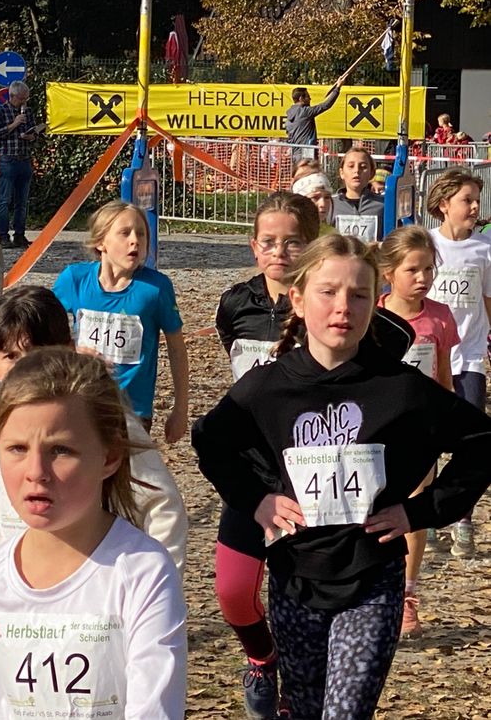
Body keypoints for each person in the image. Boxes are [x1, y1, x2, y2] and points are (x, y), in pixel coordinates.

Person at [193, 234, 491, 720]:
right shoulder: (268, 386)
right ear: (298, 298)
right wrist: (259, 500)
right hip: (294, 576)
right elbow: (210, 440)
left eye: (357, 295)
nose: (342, 308)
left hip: (372, 578)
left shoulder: (399, 389)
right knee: (307, 711)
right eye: (327, 292)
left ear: (374, 302)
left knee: (346, 713)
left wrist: (420, 510)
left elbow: (480, 442)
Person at [213, 194, 412, 718]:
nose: (279, 252)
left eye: (293, 242)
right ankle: (262, 658)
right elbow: (222, 413)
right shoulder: (235, 304)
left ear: (312, 246)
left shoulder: (349, 312)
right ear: (254, 247)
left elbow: (392, 361)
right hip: (260, 480)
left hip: (326, 493)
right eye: (269, 241)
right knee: (233, 591)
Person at [0, 285, 188, 635]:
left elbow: (162, 504)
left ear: (67, 351)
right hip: (10, 612)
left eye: (38, 353)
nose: (26, 367)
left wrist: (157, 594)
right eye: (12, 357)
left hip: (96, 610)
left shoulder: (105, 424)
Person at [0, 348, 187, 719]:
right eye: (16, 448)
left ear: (108, 457)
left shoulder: (143, 574)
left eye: (60, 450)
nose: (36, 471)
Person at [378, 225, 460, 637]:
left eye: (429, 268)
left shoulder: (440, 317)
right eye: (413, 269)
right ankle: (373, 589)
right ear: (388, 272)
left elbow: (444, 378)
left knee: (412, 508)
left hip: (419, 432)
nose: (423, 278)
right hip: (375, 430)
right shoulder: (371, 314)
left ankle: (408, 595)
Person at [53, 200, 189, 443]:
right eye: (124, 233)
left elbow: (177, 348)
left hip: (132, 412)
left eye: (142, 234)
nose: (135, 240)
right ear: (100, 242)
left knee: (124, 480)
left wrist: (180, 409)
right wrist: (71, 350)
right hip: (82, 402)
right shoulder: (74, 279)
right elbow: (45, 333)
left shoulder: (155, 288)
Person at [427, 168, 491, 557]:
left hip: (469, 357)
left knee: (472, 441)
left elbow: (488, 301)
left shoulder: (485, 249)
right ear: (443, 205)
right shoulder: (426, 244)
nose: (474, 207)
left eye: (476, 200)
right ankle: (429, 518)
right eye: (467, 199)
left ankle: (463, 518)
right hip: (431, 360)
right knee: (428, 441)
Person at [0, 80, 44, 250]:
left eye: (26, 99)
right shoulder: (1, 111)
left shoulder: (27, 112)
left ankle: (19, 235)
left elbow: (34, 132)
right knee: (5, 200)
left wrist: (32, 136)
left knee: (22, 201)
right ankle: (3, 236)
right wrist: (14, 124)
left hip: (24, 159)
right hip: (8, 159)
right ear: (12, 96)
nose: (24, 102)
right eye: (21, 99)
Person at [285, 74, 346, 160]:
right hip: (307, 153)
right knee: (310, 173)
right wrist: (338, 88)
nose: (310, 99)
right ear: (300, 98)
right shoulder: (305, 112)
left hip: (295, 154)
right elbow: (325, 105)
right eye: (308, 96)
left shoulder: (288, 118)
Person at [331, 146, 384, 242]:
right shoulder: (330, 205)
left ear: (372, 173)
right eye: (351, 166)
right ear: (342, 172)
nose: (356, 171)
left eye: (363, 167)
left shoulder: (383, 205)